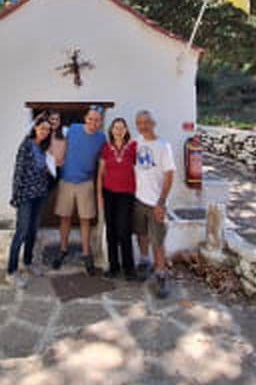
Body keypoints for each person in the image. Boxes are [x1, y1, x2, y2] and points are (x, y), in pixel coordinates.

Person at [52, 105, 106, 275]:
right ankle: (63, 249)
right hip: (66, 181)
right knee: (65, 217)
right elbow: (56, 140)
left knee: (85, 219)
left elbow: (104, 161)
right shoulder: (73, 129)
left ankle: (86, 253)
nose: (93, 122)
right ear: (85, 118)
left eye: (97, 120)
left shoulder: (102, 138)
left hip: (86, 183)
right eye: (90, 118)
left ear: (101, 121)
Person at [132, 110, 176, 299]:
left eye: (146, 122)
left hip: (155, 203)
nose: (143, 126)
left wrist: (161, 202)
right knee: (141, 234)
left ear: (153, 123)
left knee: (157, 240)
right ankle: (144, 261)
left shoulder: (163, 146)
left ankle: (161, 274)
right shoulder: (136, 143)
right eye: (139, 123)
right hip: (138, 200)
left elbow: (169, 175)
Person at [7, 113, 53, 288]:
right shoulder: (26, 146)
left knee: (33, 230)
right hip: (26, 196)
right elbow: (18, 172)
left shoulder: (42, 148)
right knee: (21, 232)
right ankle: (11, 271)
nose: (45, 132)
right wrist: (16, 197)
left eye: (48, 130)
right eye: (42, 128)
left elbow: (41, 170)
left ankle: (28, 262)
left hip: (39, 195)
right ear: (35, 128)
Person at [96, 117, 138, 280]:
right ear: (111, 130)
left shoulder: (133, 147)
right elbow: (101, 173)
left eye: (122, 128)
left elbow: (141, 169)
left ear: (126, 130)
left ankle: (129, 268)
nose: (119, 131)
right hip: (109, 193)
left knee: (124, 230)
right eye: (116, 128)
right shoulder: (106, 148)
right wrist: (99, 195)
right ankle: (113, 267)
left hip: (127, 194)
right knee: (111, 231)